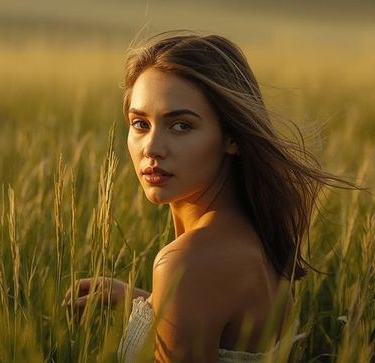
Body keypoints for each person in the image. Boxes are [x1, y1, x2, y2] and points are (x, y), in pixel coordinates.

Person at [63, 31, 356, 362]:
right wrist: (145, 302)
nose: (152, 148)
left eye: (181, 126)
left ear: (231, 137)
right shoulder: (255, 232)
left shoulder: (188, 264)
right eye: (140, 124)